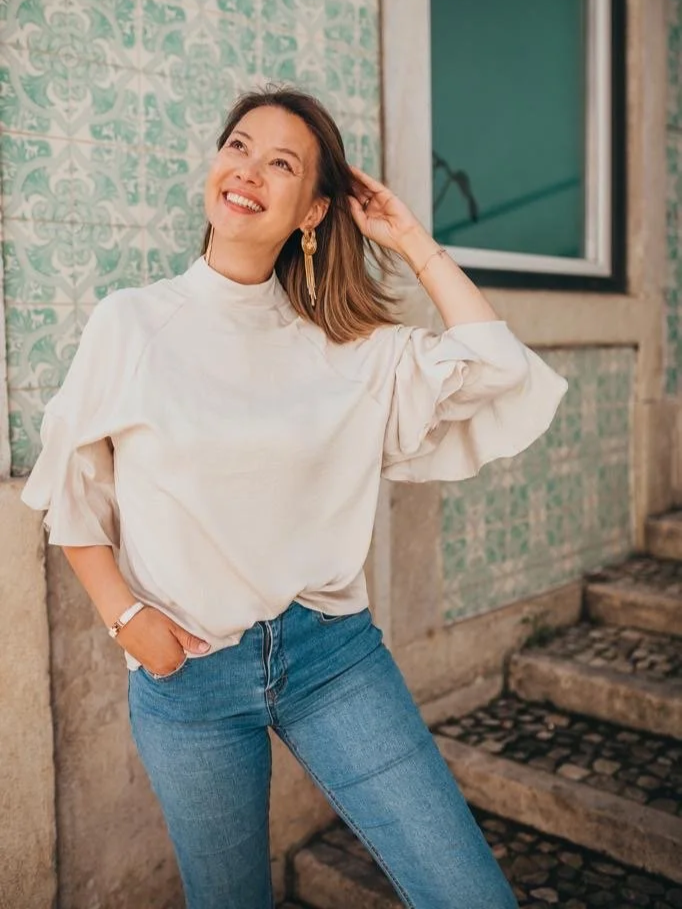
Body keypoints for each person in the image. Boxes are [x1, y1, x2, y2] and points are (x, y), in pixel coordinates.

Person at [21, 86, 567, 909]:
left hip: (332, 657)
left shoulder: (342, 347)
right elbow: (72, 492)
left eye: (281, 163)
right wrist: (129, 622)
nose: (248, 171)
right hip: (193, 678)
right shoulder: (131, 324)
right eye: (238, 146)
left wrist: (411, 238)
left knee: (468, 892)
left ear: (313, 210)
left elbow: (497, 368)